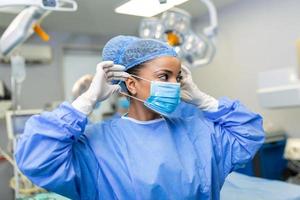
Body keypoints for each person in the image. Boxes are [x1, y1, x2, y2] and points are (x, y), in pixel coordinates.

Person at [15, 35, 265, 200]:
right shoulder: (99, 144)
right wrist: (86, 101)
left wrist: (204, 100)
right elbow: (37, 158)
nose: (174, 85)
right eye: (164, 76)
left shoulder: (198, 132)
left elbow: (249, 135)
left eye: (177, 78)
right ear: (132, 85)